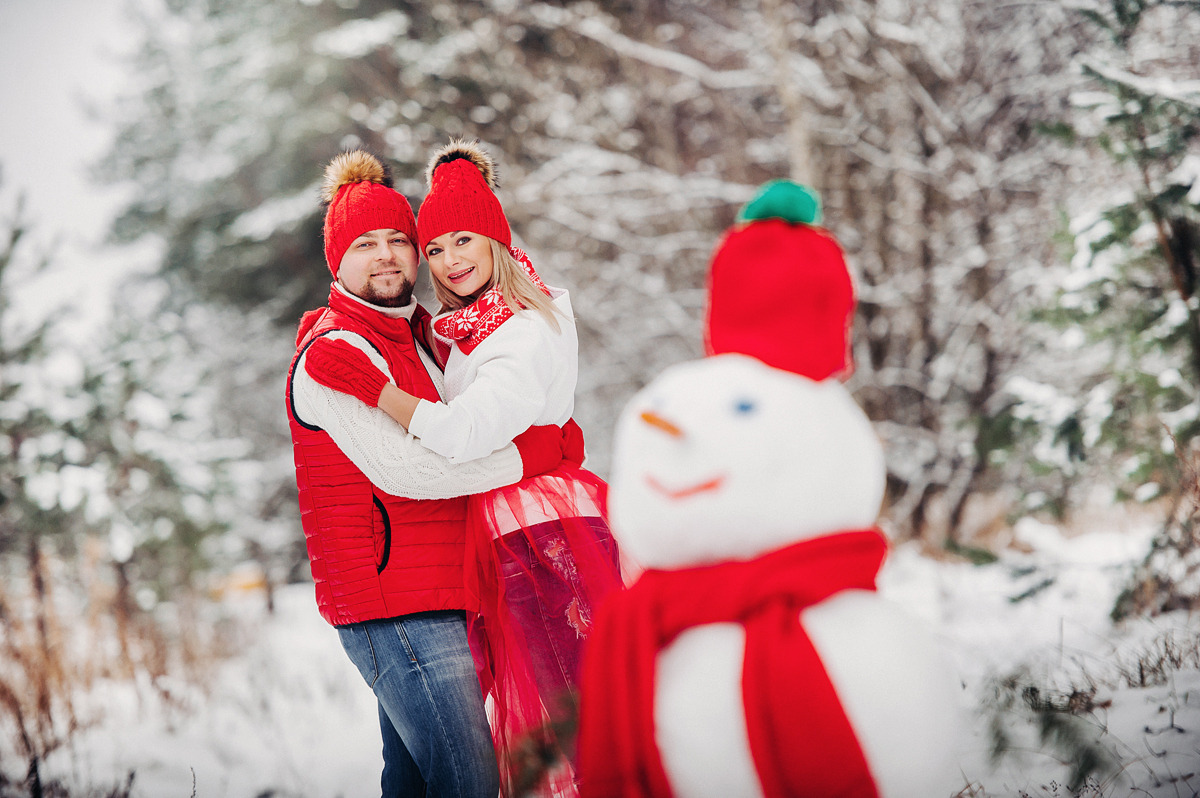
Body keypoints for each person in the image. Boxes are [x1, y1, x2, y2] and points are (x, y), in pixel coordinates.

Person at [305, 140, 625, 796]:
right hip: (395, 600)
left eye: (399, 239)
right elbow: (411, 473)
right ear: (338, 259)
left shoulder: (436, 334)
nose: (392, 255)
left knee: (446, 769)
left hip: (471, 571)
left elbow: (471, 420)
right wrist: (532, 454)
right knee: (472, 774)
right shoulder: (342, 348)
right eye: (365, 244)